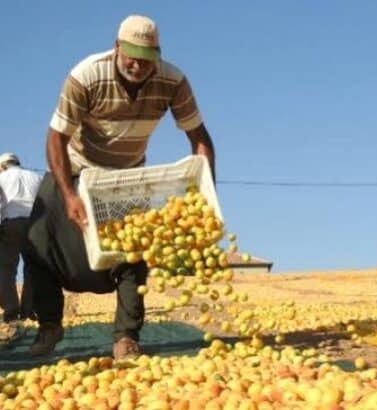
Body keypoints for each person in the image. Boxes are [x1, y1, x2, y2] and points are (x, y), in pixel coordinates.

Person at [24, 15, 216, 359]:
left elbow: (200, 139)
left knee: (132, 253)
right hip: (76, 167)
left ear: (157, 55)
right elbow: (56, 137)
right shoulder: (87, 76)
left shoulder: (172, 81)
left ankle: (126, 336)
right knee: (37, 240)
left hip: (124, 177)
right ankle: (49, 327)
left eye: (146, 57)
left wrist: (205, 197)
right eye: (131, 55)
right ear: (117, 48)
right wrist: (68, 195)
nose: (138, 64)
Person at [0, 153, 41, 328]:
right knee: (32, 268)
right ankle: (28, 310)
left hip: (11, 224)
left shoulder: (2, 178)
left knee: (6, 268)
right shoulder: (36, 177)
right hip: (36, 224)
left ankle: (11, 312)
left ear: (2, 166)